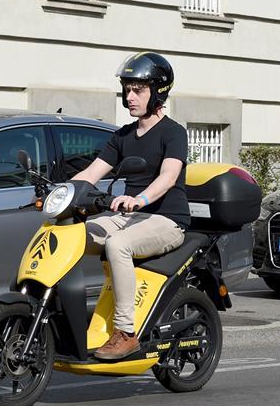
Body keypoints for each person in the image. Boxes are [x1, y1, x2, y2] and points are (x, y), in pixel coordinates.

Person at [71, 52, 191, 360]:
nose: (130, 96)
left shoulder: (173, 132)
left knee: (119, 244)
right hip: (131, 216)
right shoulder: (122, 135)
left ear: (158, 92)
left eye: (138, 89)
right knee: (72, 236)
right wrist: (59, 191)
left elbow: (168, 177)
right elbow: (91, 173)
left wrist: (139, 199)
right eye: (127, 89)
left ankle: (126, 332)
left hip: (166, 220)